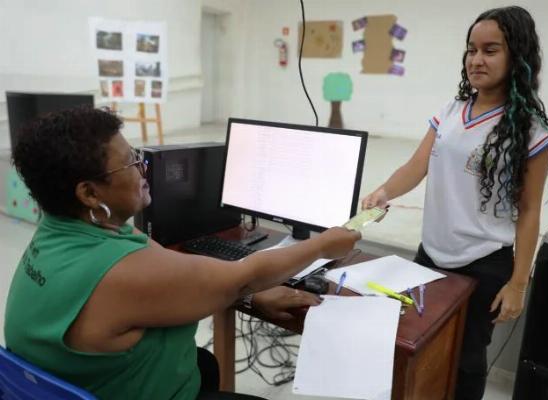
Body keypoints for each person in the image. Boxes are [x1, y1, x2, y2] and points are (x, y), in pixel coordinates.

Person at [4, 106, 361, 400]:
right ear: (89, 194)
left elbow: (183, 270)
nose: (143, 170)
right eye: (130, 162)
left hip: (76, 386)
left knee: (204, 363)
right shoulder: (120, 272)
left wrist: (247, 290)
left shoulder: (60, 231)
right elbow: (241, 278)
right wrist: (323, 244)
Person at [362, 6, 548, 400]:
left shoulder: (531, 132)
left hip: (484, 264)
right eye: (471, 49)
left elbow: (529, 212)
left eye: (490, 50)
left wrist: (518, 284)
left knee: (467, 360)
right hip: (431, 254)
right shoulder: (451, 111)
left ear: (517, 56)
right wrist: (384, 191)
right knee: (418, 344)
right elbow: (416, 165)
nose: (476, 59)